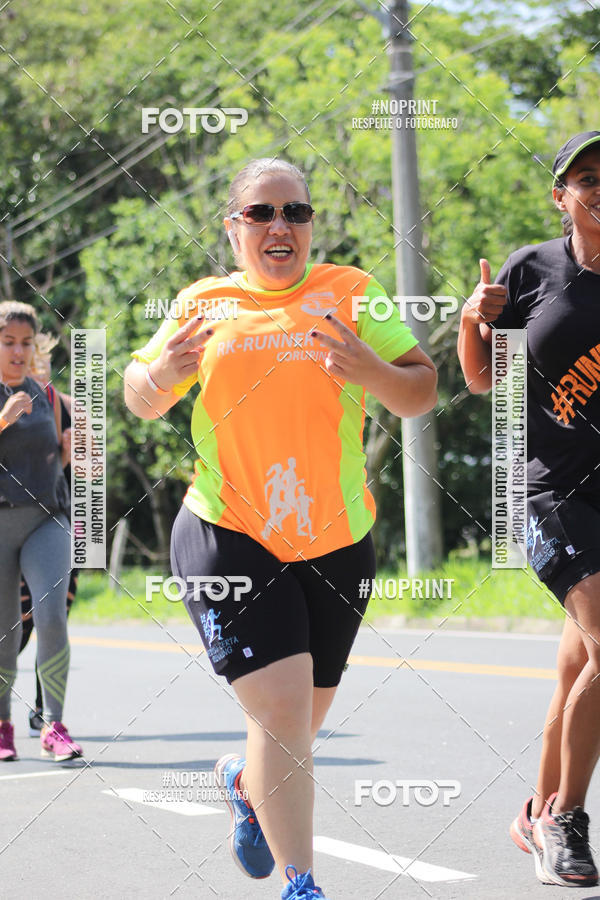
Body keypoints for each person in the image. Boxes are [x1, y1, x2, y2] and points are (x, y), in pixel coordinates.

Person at [124, 157, 437, 899]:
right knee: (286, 711)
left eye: (296, 213)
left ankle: (241, 778)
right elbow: (138, 394)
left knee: (292, 730)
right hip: (228, 531)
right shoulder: (206, 302)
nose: (280, 227)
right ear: (234, 228)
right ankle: (303, 884)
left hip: (336, 539)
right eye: (261, 214)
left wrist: (371, 371)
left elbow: (421, 391)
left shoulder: (352, 293)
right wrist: (163, 373)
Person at [457, 131, 600, 888]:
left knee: (580, 662)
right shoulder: (532, 270)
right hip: (547, 492)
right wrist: (471, 318)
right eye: (586, 177)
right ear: (561, 195)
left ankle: (538, 807)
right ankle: (564, 823)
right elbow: (481, 381)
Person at [0, 301, 82, 762]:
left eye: (25, 343)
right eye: (8, 342)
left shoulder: (47, 396)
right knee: (4, 631)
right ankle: (2, 725)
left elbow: (51, 466)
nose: (18, 351)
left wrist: (67, 454)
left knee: (51, 616)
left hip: (46, 518)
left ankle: (54, 725)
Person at [18, 344, 78, 735]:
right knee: (17, 623)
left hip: (58, 525)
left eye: (42, 363)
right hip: (14, 525)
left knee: (53, 619)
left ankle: (46, 711)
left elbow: (86, 480)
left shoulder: (66, 407)